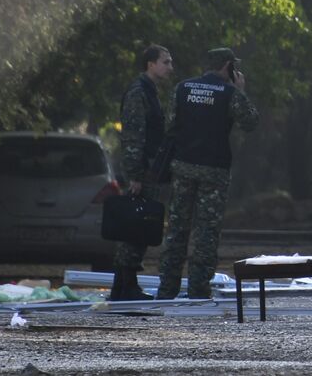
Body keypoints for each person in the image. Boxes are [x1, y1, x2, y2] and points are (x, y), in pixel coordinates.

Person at [155, 47, 259, 300]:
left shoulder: (183, 88)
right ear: (227, 66)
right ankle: (198, 290)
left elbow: (170, 124)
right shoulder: (230, 92)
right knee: (205, 233)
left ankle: (167, 289)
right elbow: (250, 122)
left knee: (177, 230)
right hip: (214, 170)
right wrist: (241, 91)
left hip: (183, 167)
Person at [109, 44, 174, 301]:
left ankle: (126, 285)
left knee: (140, 229)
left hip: (150, 170)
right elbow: (133, 137)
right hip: (143, 172)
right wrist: (135, 174)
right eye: (166, 62)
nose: (170, 67)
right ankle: (124, 286)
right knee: (134, 228)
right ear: (151, 64)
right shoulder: (139, 92)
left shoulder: (150, 91)